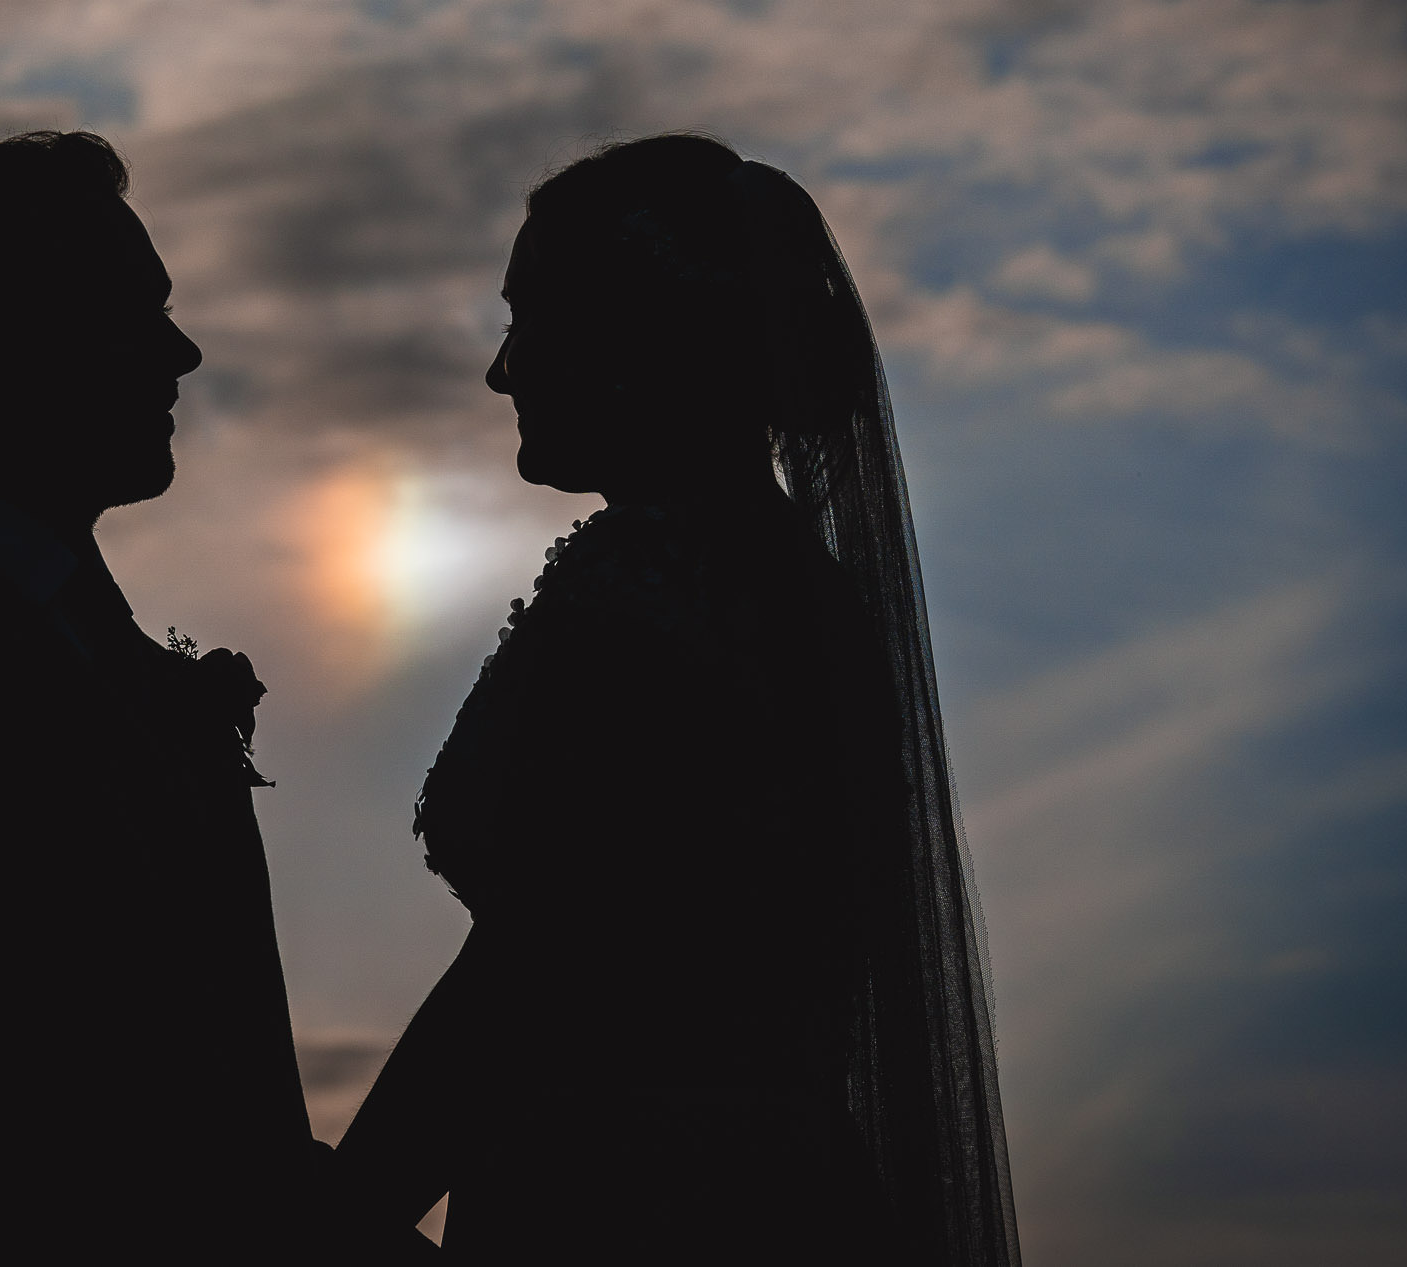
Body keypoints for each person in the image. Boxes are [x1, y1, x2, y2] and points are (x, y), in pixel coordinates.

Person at [0, 131, 428, 1262]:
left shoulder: (142, 673)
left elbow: (236, 1089)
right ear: (5, 338)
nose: (181, 352)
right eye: (132, 311)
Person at [334, 134, 1022, 1263]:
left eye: (528, 316)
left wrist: (340, 1212)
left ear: (632, 338)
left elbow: (536, 969)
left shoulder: (652, 594)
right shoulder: (777, 582)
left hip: (628, 1205)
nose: (501, 370)